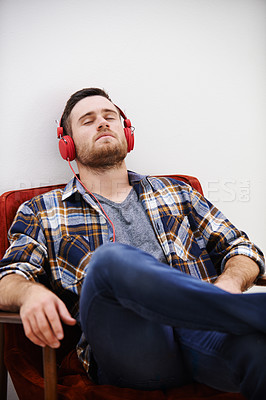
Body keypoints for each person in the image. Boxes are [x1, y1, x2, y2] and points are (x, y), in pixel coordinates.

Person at [0, 87, 265, 399]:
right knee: (111, 260)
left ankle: (224, 311)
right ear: (67, 144)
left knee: (256, 349)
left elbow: (242, 248)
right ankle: (246, 311)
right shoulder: (42, 210)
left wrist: (230, 285)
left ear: (127, 133)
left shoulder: (178, 193)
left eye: (110, 117)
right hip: (131, 347)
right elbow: (8, 279)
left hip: (205, 338)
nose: (102, 123)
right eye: (88, 120)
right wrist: (29, 293)